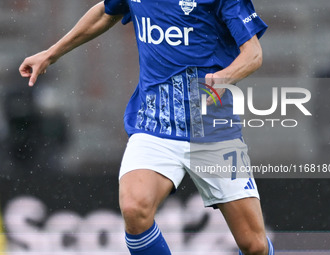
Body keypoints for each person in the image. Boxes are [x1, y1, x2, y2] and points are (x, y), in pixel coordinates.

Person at [19, 0, 274, 254]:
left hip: (212, 130)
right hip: (154, 124)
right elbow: (105, 12)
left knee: (254, 246)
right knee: (133, 208)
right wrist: (50, 54)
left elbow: (253, 54)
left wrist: (224, 77)